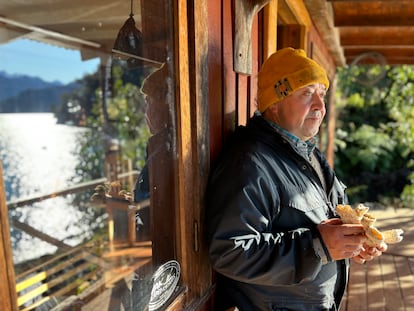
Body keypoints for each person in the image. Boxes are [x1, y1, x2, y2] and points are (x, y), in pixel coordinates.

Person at [206, 47, 387, 311]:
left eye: (322, 95)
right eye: (306, 94)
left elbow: (324, 224)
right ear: (274, 103)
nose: (320, 107)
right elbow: (230, 251)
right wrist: (318, 246)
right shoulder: (249, 162)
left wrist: (352, 243)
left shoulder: (308, 154)